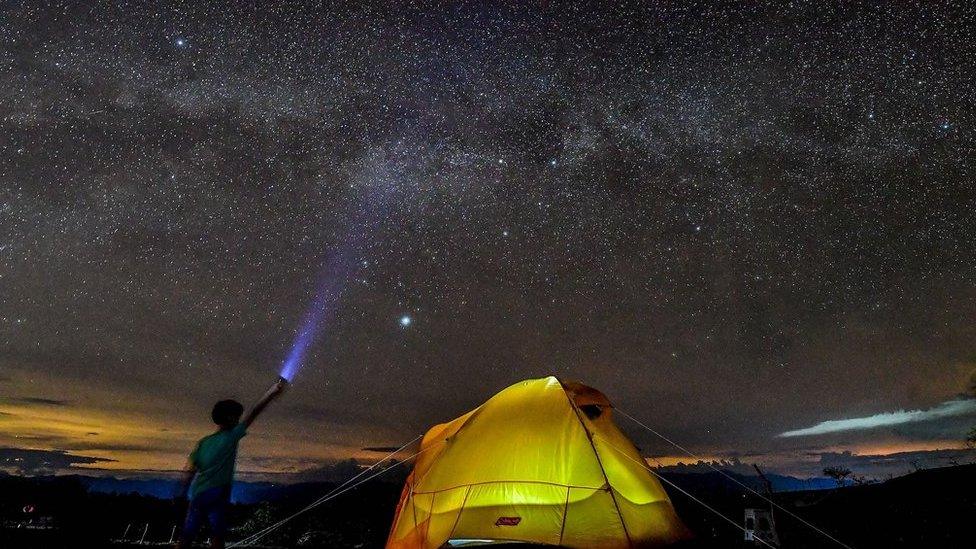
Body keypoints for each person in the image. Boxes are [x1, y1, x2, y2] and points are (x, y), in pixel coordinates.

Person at [176, 378, 288, 549]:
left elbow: (189, 471)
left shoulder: (203, 442)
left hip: (199, 494)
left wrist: (181, 492)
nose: (238, 420)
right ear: (229, 418)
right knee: (218, 536)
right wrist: (273, 391)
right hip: (219, 493)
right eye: (236, 417)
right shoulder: (231, 436)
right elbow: (254, 412)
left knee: (187, 535)